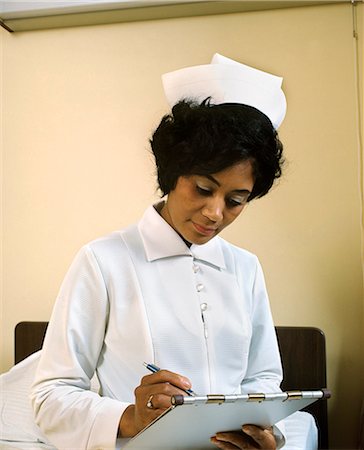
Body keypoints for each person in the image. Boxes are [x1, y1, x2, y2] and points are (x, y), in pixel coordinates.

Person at [31, 55, 286, 450]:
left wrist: (266, 433)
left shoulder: (245, 269)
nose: (215, 213)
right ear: (172, 174)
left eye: (236, 200)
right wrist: (130, 418)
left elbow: (263, 380)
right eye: (203, 189)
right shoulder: (104, 261)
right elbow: (50, 398)